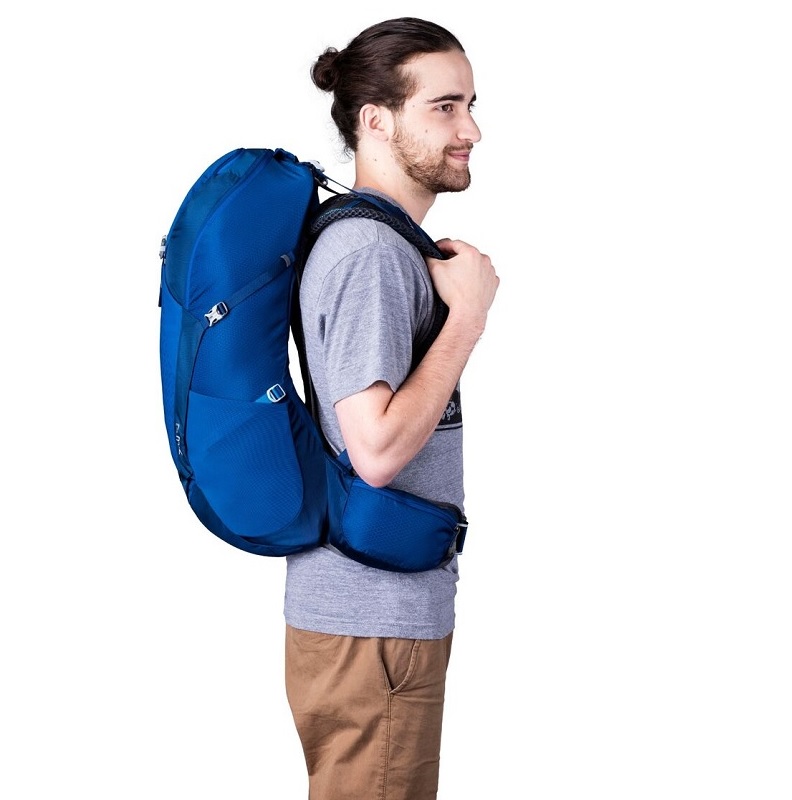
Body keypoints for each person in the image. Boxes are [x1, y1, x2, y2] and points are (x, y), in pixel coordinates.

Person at [283, 17, 499, 799]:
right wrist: (467, 319)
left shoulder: (382, 243)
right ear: (375, 120)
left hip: (374, 616)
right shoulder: (371, 254)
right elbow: (372, 451)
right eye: (444, 107)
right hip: (372, 622)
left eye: (470, 105)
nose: (470, 130)